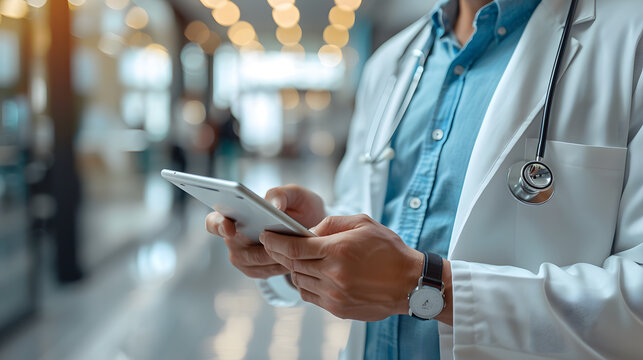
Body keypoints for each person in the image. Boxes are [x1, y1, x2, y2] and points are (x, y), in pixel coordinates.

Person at [206, 0, 643, 358]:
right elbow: (374, 217)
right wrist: (310, 237)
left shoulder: (629, 40)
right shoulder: (392, 62)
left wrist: (428, 286)